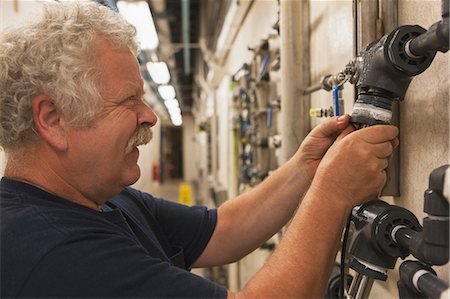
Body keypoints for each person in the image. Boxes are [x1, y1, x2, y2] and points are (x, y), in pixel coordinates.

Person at [0, 1, 399, 298]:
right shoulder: (50, 252)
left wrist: (308, 169)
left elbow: (222, 229)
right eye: (128, 101)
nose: (150, 117)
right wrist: (333, 193)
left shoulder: (102, 199)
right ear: (52, 119)